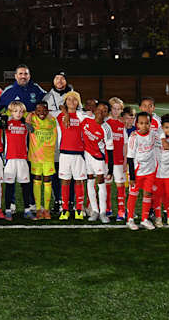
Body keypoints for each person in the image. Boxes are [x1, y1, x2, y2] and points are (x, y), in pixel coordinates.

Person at [81, 101, 114, 224]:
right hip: (87, 156)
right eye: (99, 109)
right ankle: (94, 210)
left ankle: (103, 212)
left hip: (99, 159)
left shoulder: (106, 129)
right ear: (94, 110)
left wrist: (110, 169)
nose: (101, 112)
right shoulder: (86, 120)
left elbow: (110, 150)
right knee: (90, 181)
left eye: (104, 111)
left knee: (100, 182)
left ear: (107, 114)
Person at [56, 91, 87, 221]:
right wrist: (66, 113)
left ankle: (79, 209)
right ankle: (65, 209)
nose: (72, 102)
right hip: (64, 153)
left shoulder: (82, 116)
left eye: (75, 100)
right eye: (69, 99)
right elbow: (58, 106)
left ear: (78, 102)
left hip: (79, 154)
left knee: (79, 181)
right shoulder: (60, 116)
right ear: (65, 101)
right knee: (65, 181)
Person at [126, 111, 159, 231]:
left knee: (147, 194)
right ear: (137, 124)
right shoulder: (134, 137)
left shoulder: (154, 135)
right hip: (137, 172)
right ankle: (130, 219)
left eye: (147, 123)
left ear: (150, 124)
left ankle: (144, 219)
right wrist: (132, 176)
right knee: (133, 194)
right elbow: (130, 158)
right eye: (141, 123)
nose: (144, 125)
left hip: (150, 171)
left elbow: (162, 139)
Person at [26, 101, 57, 220]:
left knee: (48, 181)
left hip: (48, 157)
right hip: (35, 157)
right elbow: (28, 127)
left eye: (44, 110)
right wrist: (30, 115)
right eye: (38, 111)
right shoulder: (32, 119)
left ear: (48, 110)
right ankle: (39, 209)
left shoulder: (52, 120)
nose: (41, 113)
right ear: (35, 111)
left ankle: (47, 209)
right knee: (37, 180)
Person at [2, 100, 31, 221]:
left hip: (23, 159)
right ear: (10, 112)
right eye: (15, 111)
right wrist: (4, 117)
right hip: (10, 159)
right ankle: (8, 210)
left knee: (25, 186)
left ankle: (27, 210)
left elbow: (33, 130)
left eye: (21, 111)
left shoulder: (26, 124)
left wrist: (27, 120)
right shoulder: (6, 122)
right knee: (9, 186)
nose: (18, 114)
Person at [106, 97, 128, 218]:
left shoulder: (122, 125)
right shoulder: (105, 123)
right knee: (106, 185)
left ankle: (121, 211)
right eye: (114, 108)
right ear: (110, 109)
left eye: (118, 109)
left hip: (119, 160)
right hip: (107, 161)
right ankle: (107, 209)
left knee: (120, 185)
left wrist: (125, 160)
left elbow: (125, 143)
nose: (116, 111)